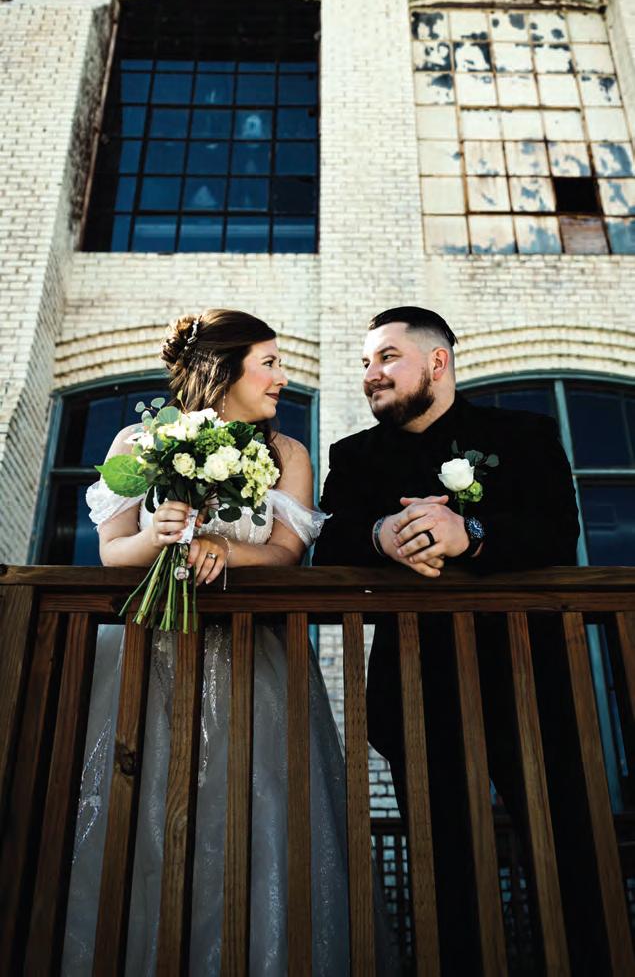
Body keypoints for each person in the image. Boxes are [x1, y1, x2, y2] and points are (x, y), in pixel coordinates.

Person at [63, 309, 379, 976]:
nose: (282, 377)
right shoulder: (137, 441)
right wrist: (159, 535)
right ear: (223, 370)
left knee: (256, 814)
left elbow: (287, 553)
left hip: (254, 665)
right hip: (148, 659)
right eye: (269, 363)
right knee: (141, 815)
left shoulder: (286, 454)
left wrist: (224, 549)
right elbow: (113, 551)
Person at [312, 307, 604, 974]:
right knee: (445, 873)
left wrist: (469, 535)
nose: (370, 374)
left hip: (532, 684)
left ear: (437, 362)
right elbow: (329, 545)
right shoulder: (354, 456)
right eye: (364, 363)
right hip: (417, 695)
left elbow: (557, 534)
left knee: (567, 859)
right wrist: (381, 535)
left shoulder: (523, 434)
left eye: (387, 357)